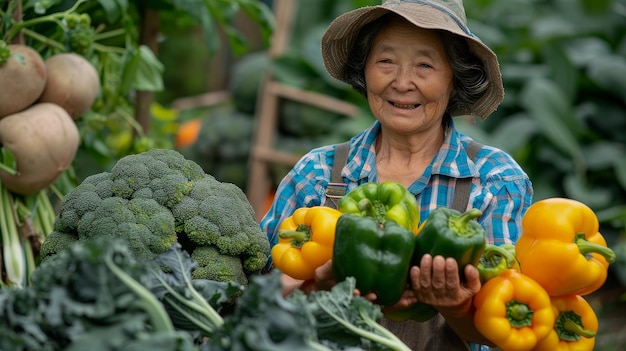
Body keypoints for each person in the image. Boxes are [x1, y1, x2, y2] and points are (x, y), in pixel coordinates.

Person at [260, 0, 533, 350]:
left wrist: (458, 306)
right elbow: (257, 293)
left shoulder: (494, 179)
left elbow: (510, 332)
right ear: (365, 70)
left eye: (424, 65)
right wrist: (315, 286)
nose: (402, 83)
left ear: (455, 77)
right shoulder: (318, 172)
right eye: (386, 61)